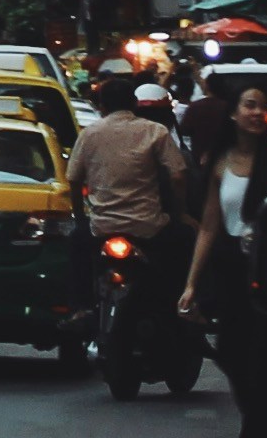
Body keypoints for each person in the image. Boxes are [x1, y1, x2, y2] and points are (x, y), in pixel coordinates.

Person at [175, 78, 267, 438]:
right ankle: (265, 426)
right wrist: (192, 283)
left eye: (261, 107)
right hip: (231, 273)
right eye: (248, 105)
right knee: (231, 353)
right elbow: (210, 226)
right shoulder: (219, 161)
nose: (255, 113)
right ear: (233, 113)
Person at [70, 70, 185, 383]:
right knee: (179, 259)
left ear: (102, 106)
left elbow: (73, 179)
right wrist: (179, 210)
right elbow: (177, 175)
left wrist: (81, 217)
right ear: (134, 104)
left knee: (76, 249)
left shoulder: (90, 134)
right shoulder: (154, 132)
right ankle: (183, 307)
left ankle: (81, 307)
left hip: (101, 228)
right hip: (148, 228)